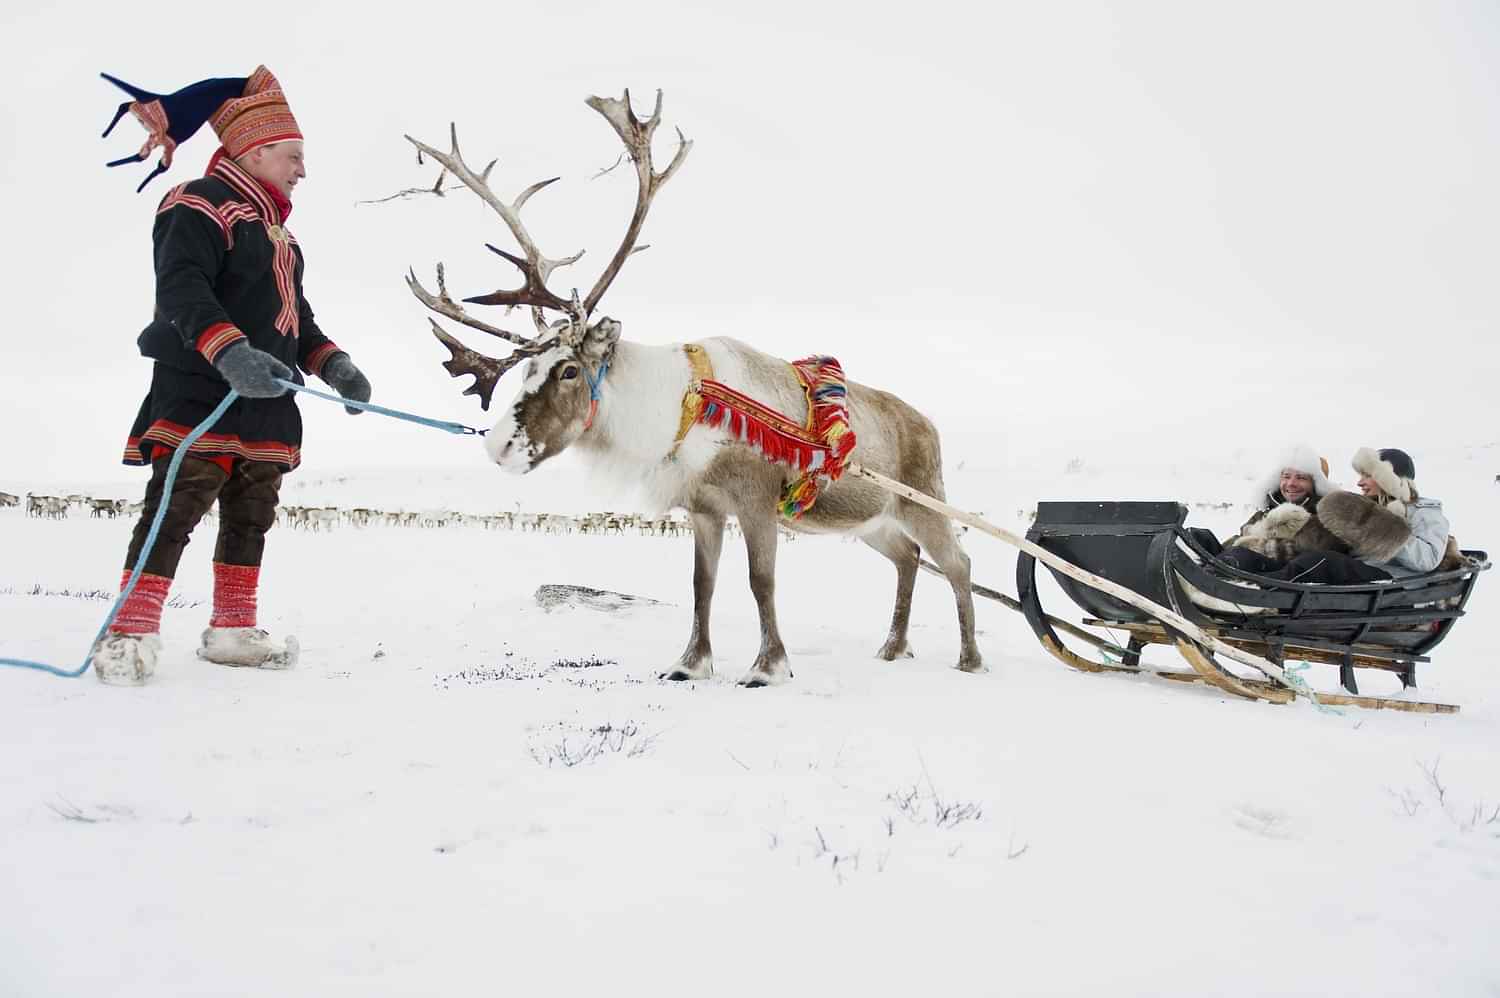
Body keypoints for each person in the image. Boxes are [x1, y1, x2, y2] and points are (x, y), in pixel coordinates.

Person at [90, 66, 372, 685]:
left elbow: (297, 322)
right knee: (176, 508)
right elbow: (184, 290)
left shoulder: (282, 235)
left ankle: (233, 630)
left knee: (252, 515)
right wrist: (230, 353)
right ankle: (128, 634)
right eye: (294, 156)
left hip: (268, 403)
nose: (303, 170)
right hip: (201, 391)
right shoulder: (198, 203)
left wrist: (335, 366)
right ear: (256, 149)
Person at [1264, 448, 1453, 585]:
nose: (1359, 482)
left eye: (1366, 475)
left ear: (1390, 479)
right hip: (1361, 577)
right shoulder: (1371, 507)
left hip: (1394, 583)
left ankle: (1263, 588)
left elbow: (1428, 559)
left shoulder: (1425, 511)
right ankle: (1247, 575)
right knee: (1309, 557)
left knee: (1323, 562)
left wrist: (1381, 529)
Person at [1189, 446, 1337, 574]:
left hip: (1276, 576)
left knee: (1240, 555)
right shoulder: (1266, 512)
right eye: (1286, 476)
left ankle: (1207, 583)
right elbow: (1239, 539)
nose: (1291, 483)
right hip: (1239, 562)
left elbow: (1306, 551)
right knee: (1198, 536)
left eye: (1301, 478)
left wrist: (1250, 547)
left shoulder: (1325, 518)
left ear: (1316, 483)